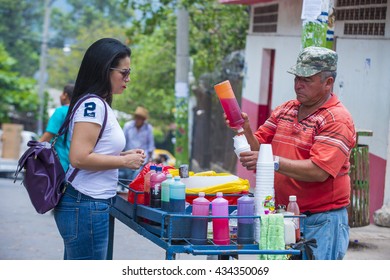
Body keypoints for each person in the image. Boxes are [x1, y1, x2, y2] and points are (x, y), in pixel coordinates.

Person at [229, 46, 356, 260]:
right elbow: (258, 149)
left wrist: (273, 161)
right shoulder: (286, 109)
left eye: (307, 79)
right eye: (297, 77)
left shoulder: (336, 119)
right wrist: (245, 129)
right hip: (283, 216)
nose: (299, 84)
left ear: (328, 83)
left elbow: (319, 171)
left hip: (320, 221)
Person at [53, 38, 146, 260]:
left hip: (88, 204)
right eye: (124, 72)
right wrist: (124, 162)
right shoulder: (92, 106)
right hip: (85, 204)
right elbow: (79, 157)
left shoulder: (98, 104)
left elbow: (93, 151)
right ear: (105, 70)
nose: (128, 79)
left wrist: (123, 155)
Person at [39, 84, 74, 171]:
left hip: (59, 163)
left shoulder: (60, 111)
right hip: (74, 166)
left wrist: (32, 150)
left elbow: (47, 137)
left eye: (62, 93)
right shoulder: (78, 112)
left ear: (65, 95)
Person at [122, 106, 155, 180]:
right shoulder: (128, 126)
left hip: (142, 159)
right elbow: (123, 142)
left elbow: (151, 145)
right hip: (128, 156)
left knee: (136, 178)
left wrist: (150, 159)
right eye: (137, 117)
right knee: (128, 179)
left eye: (140, 118)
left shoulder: (148, 128)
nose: (138, 120)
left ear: (143, 120)